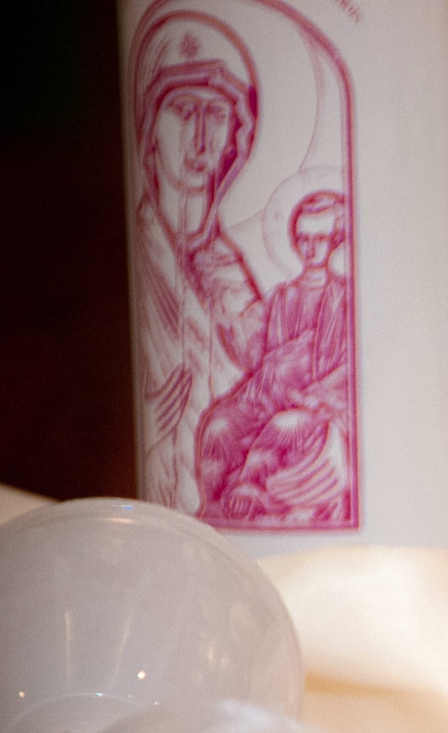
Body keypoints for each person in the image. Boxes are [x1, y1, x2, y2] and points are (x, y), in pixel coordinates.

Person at [130, 15, 264, 515]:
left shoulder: (230, 271)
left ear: (235, 135)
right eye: (184, 112)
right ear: (151, 128)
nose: (201, 139)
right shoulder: (142, 253)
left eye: (216, 115)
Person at [196, 190, 354, 524]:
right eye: (303, 239)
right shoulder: (284, 295)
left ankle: (246, 487)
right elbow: (263, 357)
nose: (310, 247)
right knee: (219, 426)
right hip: (271, 398)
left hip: (316, 407)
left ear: (335, 241)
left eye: (320, 239)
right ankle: (212, 508)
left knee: (286, 425)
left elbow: (349, 367)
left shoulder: (344, 298)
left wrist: (314, 395)